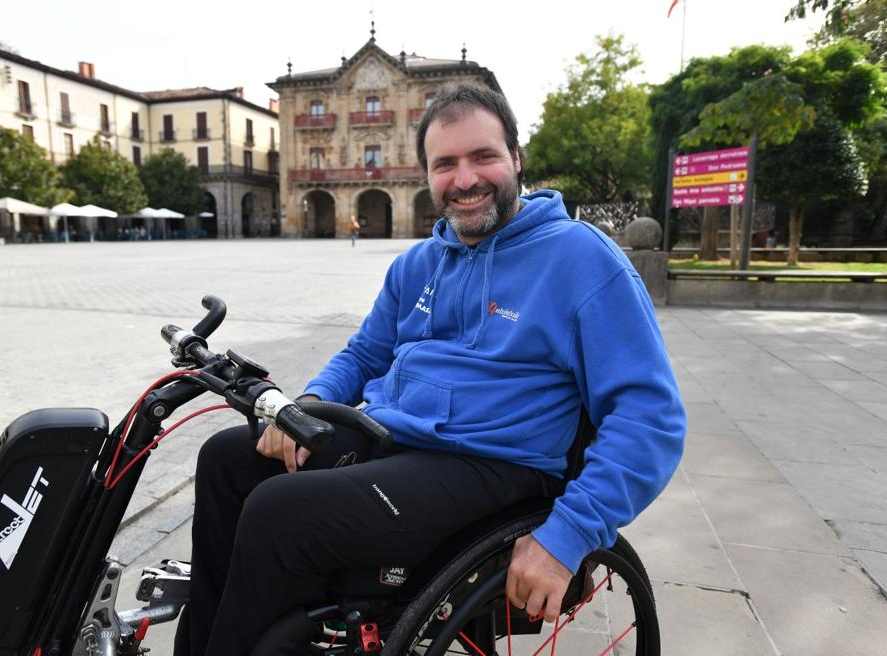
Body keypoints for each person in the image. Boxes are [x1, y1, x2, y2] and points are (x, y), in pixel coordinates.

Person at [190, 84, 686, 656]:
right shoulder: (419, 262)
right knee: (228, 459)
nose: (465, 179)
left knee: (280, 513)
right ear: (427, 174)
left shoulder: (580, 258)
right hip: (397, 441)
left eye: (484, 157)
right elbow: (363, 354)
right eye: (445, 163)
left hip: (495, 464)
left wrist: (568, 534)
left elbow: (649, 417)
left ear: (517, 159)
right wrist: (303, 407)